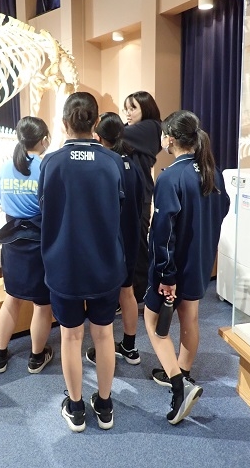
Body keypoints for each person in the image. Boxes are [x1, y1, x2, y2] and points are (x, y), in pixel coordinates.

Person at [38, 92, 127, 432]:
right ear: (95, 123)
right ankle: (104, 406)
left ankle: (75, 408)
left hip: (64, 266)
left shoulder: (51, 163)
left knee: (71, 338)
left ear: (64, 124)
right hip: (105, 265)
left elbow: (44, 209)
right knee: (104, 335)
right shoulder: (112, 161)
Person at [144, 110, 230, 425]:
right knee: (190, 317)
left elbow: (162, 232)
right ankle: (182, 373)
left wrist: (166, 275)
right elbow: (222, 210)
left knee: (152, 321)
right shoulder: (212, 171)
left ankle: (179, 387)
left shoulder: (169, 177)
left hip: (173, 267)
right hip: (201, 261)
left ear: (169, 138)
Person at [0, 116, 54, 375]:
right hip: (38, 243)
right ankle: (36, 358)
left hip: (12, 242)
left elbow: (1, 202)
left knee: (12, 298)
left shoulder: (5, 167)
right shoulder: (46, 168)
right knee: (42, 304)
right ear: (44, 140)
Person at [86, 112, 144, 366]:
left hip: (110, 242)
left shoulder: (106, 164)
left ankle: (104, 349)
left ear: (99, 136)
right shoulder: (134, 164)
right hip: (132, 236)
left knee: (107, 297)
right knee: (127, 292)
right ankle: (130, 347)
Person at [122, 91, 162, 305]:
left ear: (145, 108)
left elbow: (112, 132)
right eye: (126, 108)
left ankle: (144, 294)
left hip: (140, 194)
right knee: (130, 244)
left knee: (138, 244)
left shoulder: (152, 127)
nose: (128, 113)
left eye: (133, 108)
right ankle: (132, 294)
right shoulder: (130, 130)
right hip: (129, 194)